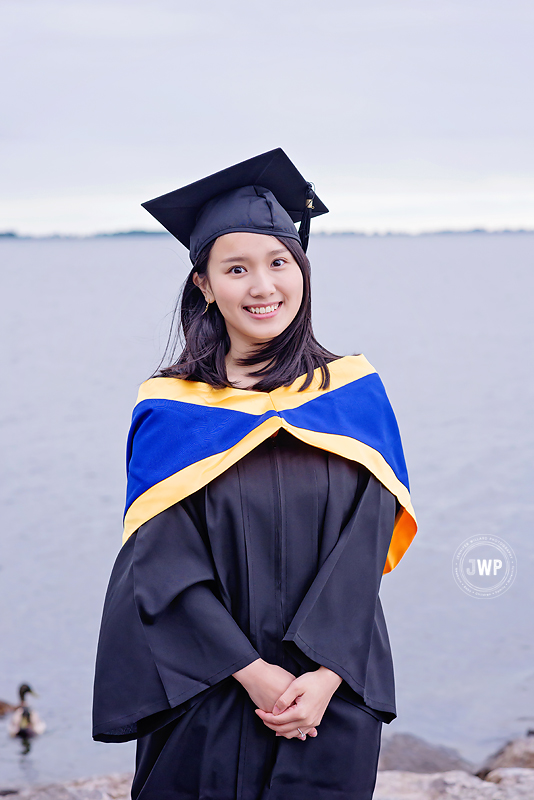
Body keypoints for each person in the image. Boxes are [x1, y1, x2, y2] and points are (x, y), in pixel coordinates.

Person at [92, 148, 417, 800]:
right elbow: (162, 564)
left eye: (278, 263)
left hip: (333, 692)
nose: (263, 287)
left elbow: (366, 546)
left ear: (301, 269)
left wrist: (324, 673)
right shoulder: (171, 406)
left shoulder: (351, 391)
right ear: (205, 285)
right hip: (206, 691)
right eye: (236, 268)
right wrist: (253, 673)